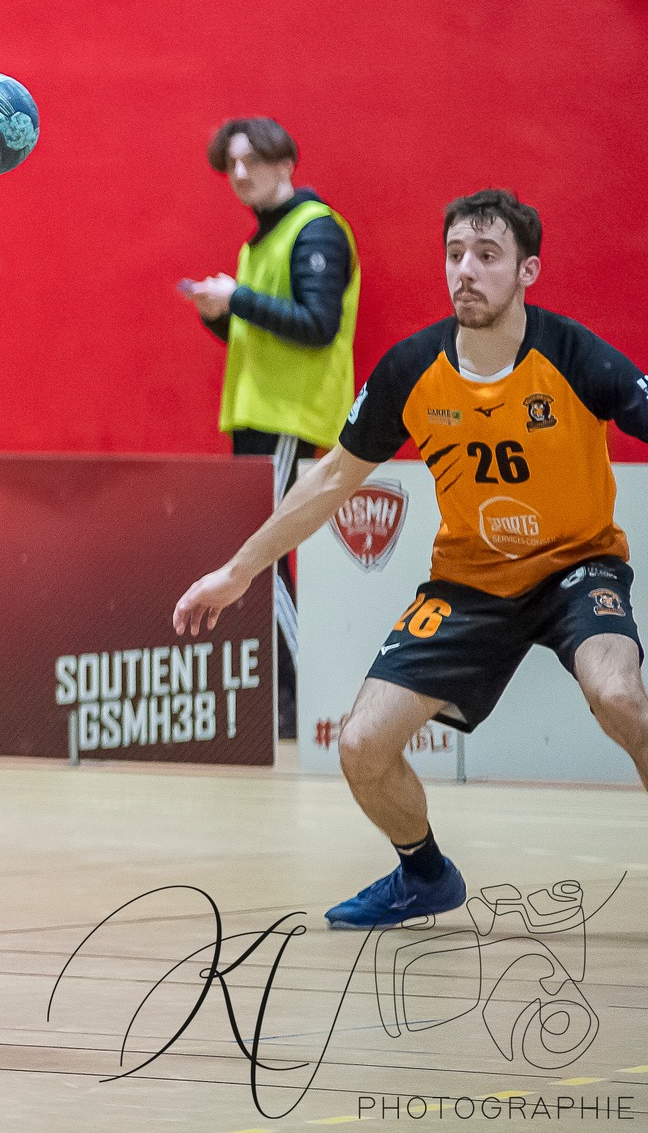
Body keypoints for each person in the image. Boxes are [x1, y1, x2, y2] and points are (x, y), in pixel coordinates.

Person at [173, 189, 648, 929]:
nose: (466, 271)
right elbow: (331, 478)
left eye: (486, 255)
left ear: (527, 271)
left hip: (577, 567)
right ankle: (424, 876)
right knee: (361, 745)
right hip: (470, 582)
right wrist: (238, 572)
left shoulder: (572, 354)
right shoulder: (413, 367)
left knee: (617, 694)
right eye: (455, 254)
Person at [179, 117, 361, 741]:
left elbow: (317, 326)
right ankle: (288, 696)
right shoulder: (260, 241)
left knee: (263, 556)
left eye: (251, 160)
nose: (239, 173)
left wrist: (237, 299)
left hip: (289, 416)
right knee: (258, 555)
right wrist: (220, 313)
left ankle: (306, 694)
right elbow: (260, 336)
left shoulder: (316, 230)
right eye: (230, 164)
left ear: (285, 163)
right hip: (260, 413)